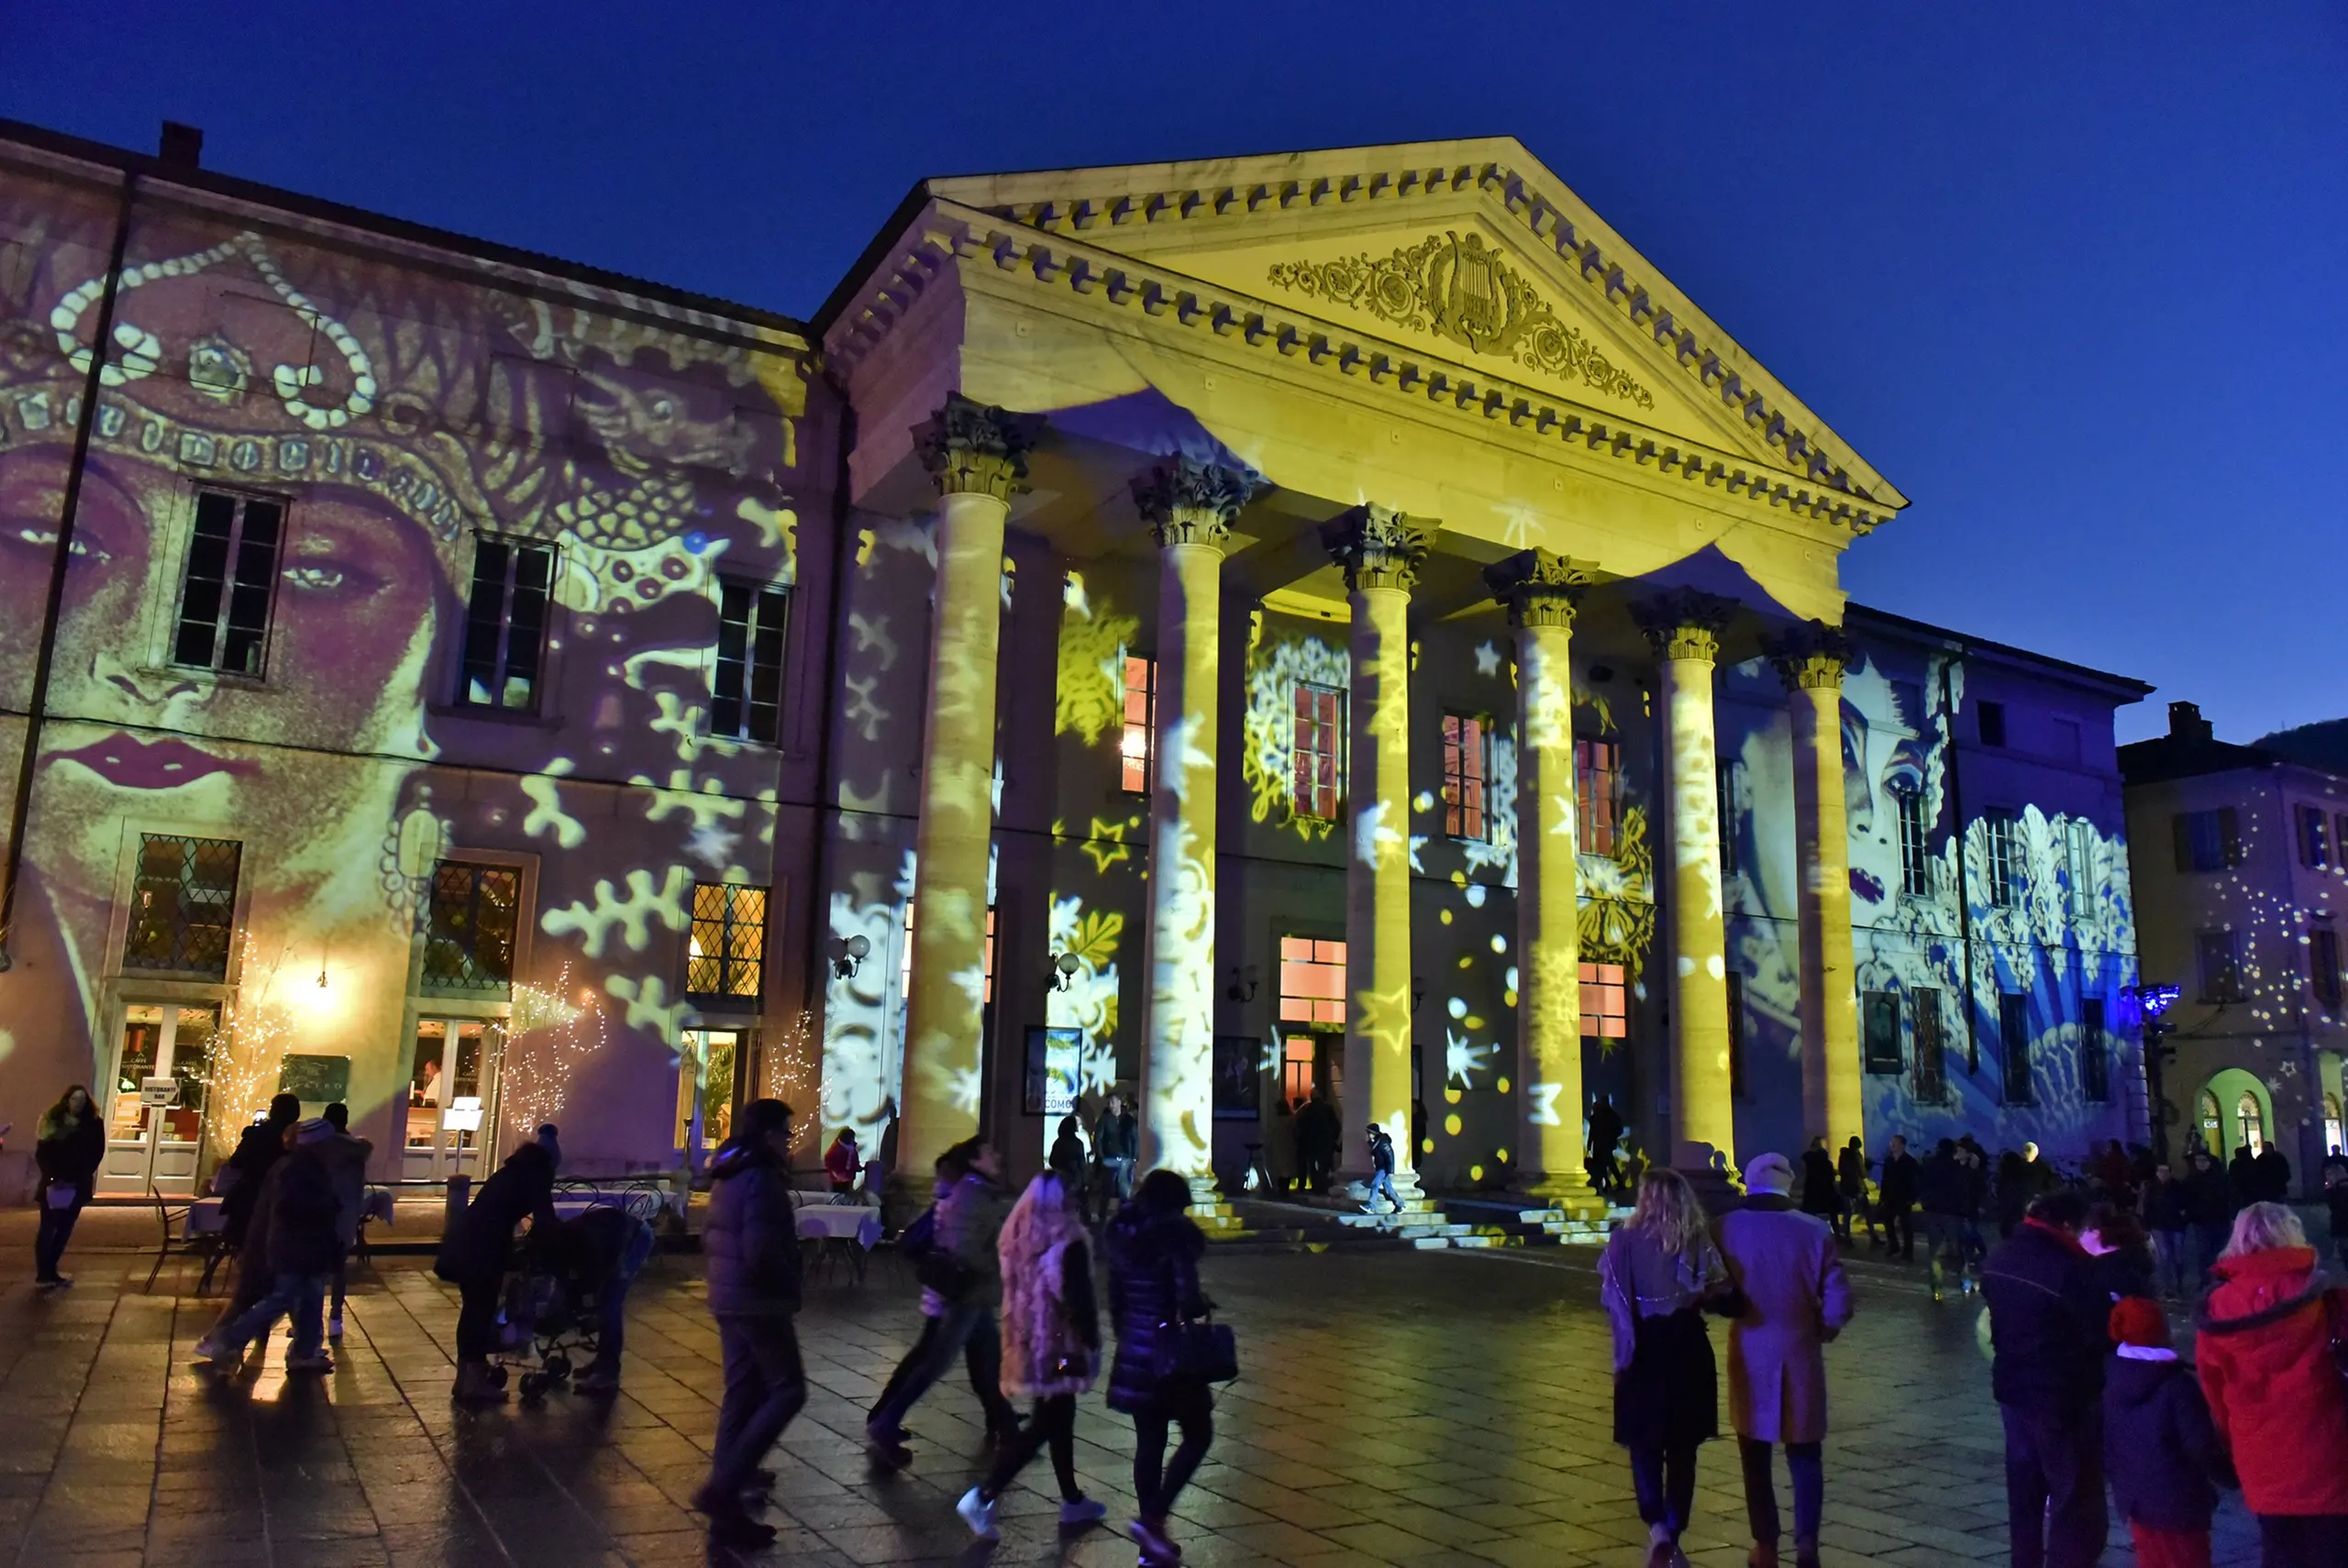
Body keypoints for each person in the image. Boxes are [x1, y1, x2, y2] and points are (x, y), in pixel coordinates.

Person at [954, 1173, 1108, 1540]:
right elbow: (1077, 1298)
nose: (1075, 1197)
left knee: (1058, 1417)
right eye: (1070, 1192)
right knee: (1044, 1424)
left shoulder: (1021, 1238)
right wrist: (1090, 1340)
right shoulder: (1066, 1242)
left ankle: (1072, 1499)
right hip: (1060, 1347)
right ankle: (984, 1494)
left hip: (1032, 1343)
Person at [1718, 1154, 1854, 1568]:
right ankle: (1807, 1541)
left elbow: (1711, 1286)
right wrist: (1826, 1327)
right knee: (1805, 1451)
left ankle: (1766, 1544)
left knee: (1754, 1454)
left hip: (1749, 1348)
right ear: (1788, 1185)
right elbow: (1838, 1297)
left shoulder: (1724, 1227)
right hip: (1799, 1349)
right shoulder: (1814, 1230)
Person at [2195, 1201, 2348, 1565]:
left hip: (2260, 1451)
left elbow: (2214, 1392)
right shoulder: (2328, 1300)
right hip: (2329, 1449)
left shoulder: (2217, 1309)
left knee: (2280, 1549)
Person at [1600, 1167, 1736, 1567]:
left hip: (1643, 1347)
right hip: (1686, 1346)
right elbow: (1717, 1286)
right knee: (1682, 1446)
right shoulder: (1695, 1238)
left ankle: (1656, 1526)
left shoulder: (1623, 1240)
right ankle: (1674, 1531)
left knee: (1643, 1444)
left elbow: (1611, 1294)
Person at [692, 1099, 803, 1548]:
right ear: (771, 1134)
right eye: (787, 1133)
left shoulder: (730, 1173)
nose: (790, 1142)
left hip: (728, 1295)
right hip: (757, 1302)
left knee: (743, 1393)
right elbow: (760, 1249)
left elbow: (713, 1235)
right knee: (788, 1389)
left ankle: (728, 1508)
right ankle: (723, 1489)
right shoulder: (760, 1178)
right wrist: (789, 1281)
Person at [865, 1138, 1018, 1463]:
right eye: (991, 1152)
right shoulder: (971, 1194)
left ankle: (1007, 1426)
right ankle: (886, 1421)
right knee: (933, 1364)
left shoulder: (974, 1191)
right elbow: (964, 1248)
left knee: (987, 1361)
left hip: (976, 1295)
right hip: (968, 1294)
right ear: (975, 1161)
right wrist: (998, 1263)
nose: (998, 1157)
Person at [1980, 1187, 2110, 1568]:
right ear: (2068, 1225)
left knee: (2024, 1491)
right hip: (2060, 1394)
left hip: (2012, 1388)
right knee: (2070, 1493)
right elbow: (2097, 1329)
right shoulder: (2068, 1268)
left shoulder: (2002, 1254)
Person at [1104, 1167, 1213, 1568]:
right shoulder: (1173, 1238)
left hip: (1135, 1348)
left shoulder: (1123, 1235)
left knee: (1149, 1440)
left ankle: (1152, 1541)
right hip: (1171, 1353)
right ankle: (1153, 1519)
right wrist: (1200, 1302)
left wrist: (1128, 1329)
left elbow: (1116, 1298)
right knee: (1199, 1434)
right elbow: (1186, 1299)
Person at [194, 1118, 343, 1372]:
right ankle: (230, 1339)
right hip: (297, 1246)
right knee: (284, 1298)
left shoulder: (301, 1166)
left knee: (309, 1297)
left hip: (302, 1246)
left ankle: (304, 1352)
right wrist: (327, 1207)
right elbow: (289, 1207)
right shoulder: (298, 1169)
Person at [2103, 1296, 2234, 1568]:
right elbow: (2200, 1445)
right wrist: (2231, 1476)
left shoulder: (2113, 1379)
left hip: (2136, 1500)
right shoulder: (2177, 1386)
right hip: (2178, 1502)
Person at [434, 1138, 559, 1403]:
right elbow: (546, 1220)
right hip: (485, 1248)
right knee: (481, 1311)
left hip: (466, 1241)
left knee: (472, 1311)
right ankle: (473, 1383)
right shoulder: (535, 1176)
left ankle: (465, 1379)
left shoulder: (508, 1173)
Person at [559, 1201, 657, 1392]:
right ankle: (603, 1362)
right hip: (618, 1236)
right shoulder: (571, 1240)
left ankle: (608, 1373)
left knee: (610, 1303)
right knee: (606, 1301)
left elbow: (597, 1272)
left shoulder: (585, 1243)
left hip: (633, 1239)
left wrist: (588, 1308)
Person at [32, 1085, 104, 1289]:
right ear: (66, 1100)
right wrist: (53, 1176)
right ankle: (43, 1272)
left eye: (82, 1100)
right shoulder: (52, 1121)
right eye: (74, 1099)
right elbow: (42, 1153)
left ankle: (51, 1268)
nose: (78, 1104)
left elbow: (96, 1152)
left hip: (77, 1183)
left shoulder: (93, 1124)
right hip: (53, 1184)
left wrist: (81, 1175)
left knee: (65, 1228)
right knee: (48, 1227)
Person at [218, 1092, 302, 1254]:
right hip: (290, 1198)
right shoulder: (302, 1136)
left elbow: (236, 1161)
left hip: (253, 1197)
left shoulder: (257, 1133)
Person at [316, 1101, 373, 1341]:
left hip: (321, 1214)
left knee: (315, 1271)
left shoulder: (321, 1148)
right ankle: (336, 1317)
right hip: (346, 1216)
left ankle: (313, 1321)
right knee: (339, 1268)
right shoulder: (357, 1150)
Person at [1918, 1138, 1969, 1300]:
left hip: (1932, 1211)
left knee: (1934, 1252)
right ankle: (1965, 1282)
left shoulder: (1929, 1165)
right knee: (1957, 1248)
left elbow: (1921, 1184)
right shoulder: (1955, 1167)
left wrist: (1925, 1203)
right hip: (1952, 1212)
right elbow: (1962, 1189)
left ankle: (1937, 1289)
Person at [2142, 1161, 2193, 1299]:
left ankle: (2178, 1284)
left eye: (2165, 1171)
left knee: (2178, 1257)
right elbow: (2147, 1208)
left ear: (2170, 1172)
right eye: (2160, 1171)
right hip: (2159, 1226)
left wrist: (2184, 1217)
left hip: (2176, 1225)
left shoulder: (2177, 1187)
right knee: (2164, 1257)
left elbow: (2186, 1204)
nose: (2163, 1174)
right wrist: (2147, 1226)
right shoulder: (2152, 1188)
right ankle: (2168, 1286)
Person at [2183, 1148, 2232, 1284]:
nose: (2200, 1163)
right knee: (2203, 1253)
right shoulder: (2191, 1179)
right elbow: (2186, 1199)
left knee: (2220, 1251)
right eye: (2198, 1160)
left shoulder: (2220, 1177)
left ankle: (2222, 1278)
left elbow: (2230, 1195)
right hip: (2202, 1222)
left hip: (2220, 1219)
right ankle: (2205, 1280)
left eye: (2203, 1160)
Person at [1877, 1134, 1920, 1263]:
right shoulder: (1889, 1161)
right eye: (1892, 1143)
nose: (1892, 1145)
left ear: (1902, 1145)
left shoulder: (1910, 1162)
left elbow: (1914, 1181)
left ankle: (1908, 1252)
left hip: (1903, 1197)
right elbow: (1885, 1179)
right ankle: (1894, 1245)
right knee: (1888, 1221)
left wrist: (1911, 1198)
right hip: (1890, 1197)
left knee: (1906, 1226)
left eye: (1895, 1143)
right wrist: (1882, 1196)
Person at [1094, 1094, 1138, 1208]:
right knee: (1107, 1188)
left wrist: (1134, 1157)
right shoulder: (1104, 1120)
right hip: (1110, 1158)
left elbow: (1135, 1138)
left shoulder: (1128, 1119)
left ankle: (1124, 1213)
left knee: (1124, 1188)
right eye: (1109, 1103)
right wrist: (1101, 1156)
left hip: (1126, 1158)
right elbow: (1098, 1139)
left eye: (1113, 1102)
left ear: (1119, 1102)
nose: (1111, 1105)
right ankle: (1103, 1214)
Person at [1295, 1088, 1339, 1197]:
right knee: (1326, 1165)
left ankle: (1316, 1187)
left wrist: (1302, 1141)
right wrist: (1333, 1138)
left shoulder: (1307, 1109)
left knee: (1314, 1166)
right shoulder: (1328, 1108)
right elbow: (1336, 1125)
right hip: (1326, 1143)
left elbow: (1302, 1126)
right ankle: (1326, 1186)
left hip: (1312, 1144)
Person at [1798, 1137, 1842, 1237]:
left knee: (1810, 1213)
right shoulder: (1825, 1162)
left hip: (1812, 1191)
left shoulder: (1809, 1161)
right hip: (1826, 1191)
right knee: (1833, 1213)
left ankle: (1808, 1235)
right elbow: (1831, 1177)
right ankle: (1837, 1235)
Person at [1589, 1094, 1625, 1195]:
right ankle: (1607, 1184)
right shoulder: (1609, 1116)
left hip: (1602, 1144)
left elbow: (1592, 1132)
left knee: (1605, 1165)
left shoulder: (1608, 1116)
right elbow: (1592, 1132)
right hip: (1603, 1144)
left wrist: (1610, 1137)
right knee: (1604, 1165)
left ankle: (1606, 1184)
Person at [1834, 1136, 1867, 1245]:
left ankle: (1846, 1236)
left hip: (1845, 1187)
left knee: (1847, 1213)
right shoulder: (1857, 1156)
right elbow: (1863, 1174)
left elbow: (1840, 1171)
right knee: (1867, 1211)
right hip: (1857, 1188)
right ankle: (1873, 1235)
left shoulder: (1842, 1156)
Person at [1364, 1121, 1401, 1215]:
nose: (1368, 1135)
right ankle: (1400, 1204)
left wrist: (1390, 1171)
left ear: (1375, 1133)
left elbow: (1390, 1156)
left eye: (1370, 1133)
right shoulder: (1376, 1142)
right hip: (1380, 1168)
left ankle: (1371, 1205)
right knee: (1388, 1189)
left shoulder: (1383, 1142)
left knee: (1375, 1184)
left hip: (1383, 1168)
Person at [1047, 1115, 1088, 1190]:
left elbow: (1051, 1161)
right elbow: (1082, 1165)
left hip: (1059, 1178)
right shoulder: (1078, 1143)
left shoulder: (1058, 1142)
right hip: (1074, 1179)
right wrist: (1085, 1182)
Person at [823, 1127, 863, 1198]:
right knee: (839, 1196)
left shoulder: (849, 1148)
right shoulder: (836, 1150)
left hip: (848, 1177)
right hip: (838, 1179)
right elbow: (829, 1163)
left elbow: (854, 1161)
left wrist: (857, 1167)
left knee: (846, 1196)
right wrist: (837, 1173)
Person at [2253, 1140, 2293, 1206]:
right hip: (2266, 1188)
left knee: (2278, 1205)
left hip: (2278, 1187)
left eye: (2265, 1148)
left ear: (2271, 1148)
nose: (2264, 1150)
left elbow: (2285, 1171)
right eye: (2263, 1148)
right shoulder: (2260, 1159)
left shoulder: (2279, 1158)